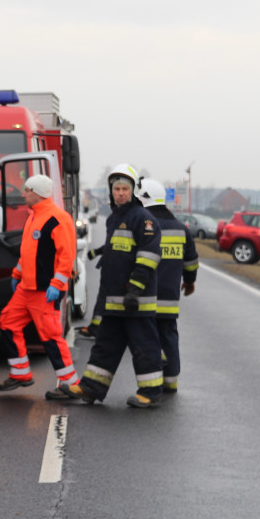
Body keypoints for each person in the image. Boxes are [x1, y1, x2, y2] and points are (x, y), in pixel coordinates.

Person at [78, 164, 165, 408]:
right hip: (114, 299)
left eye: (125, 189)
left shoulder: (143, 219)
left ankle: (151, 392)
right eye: (116, 189)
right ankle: (91, 387)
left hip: (135, 300)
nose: (120, 193)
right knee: (105, 344)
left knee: (144, 346)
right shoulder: (116, 218)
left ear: (133, 191)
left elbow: (148, 257)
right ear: (111, 191)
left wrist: (134, 289)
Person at [0, 174, 84, 400]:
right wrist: (17, 272)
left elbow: (67, 256)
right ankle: (21, 373)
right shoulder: (34, 216)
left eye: (26, 190)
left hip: (46, 290)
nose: (23, 193)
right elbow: (28, 251)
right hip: (27, 288)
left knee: (51, 336)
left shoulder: (58, 219)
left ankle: (71, 384)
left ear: (37, 192)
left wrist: (57, 283)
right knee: (7, 322)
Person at [136, 178, 199, 394]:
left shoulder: (144, 226)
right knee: (169, 337)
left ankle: (151, 383)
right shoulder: (181, 228)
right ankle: (171, 381)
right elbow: (191, 260)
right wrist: (190, 282)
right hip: (170, 299)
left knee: (146, 339)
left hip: (145, 298)